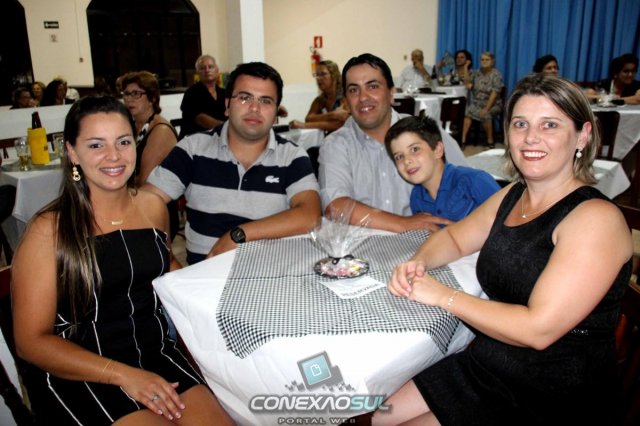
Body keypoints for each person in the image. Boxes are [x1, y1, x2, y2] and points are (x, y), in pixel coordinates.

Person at [374, 74, 632, 426]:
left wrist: (443, 296)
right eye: (520, 124)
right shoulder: (513, 195)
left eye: (550, 125)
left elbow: (538, 330)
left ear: (582, 136)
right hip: (492, 359)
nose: (530, 138)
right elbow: (455, 238)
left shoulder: (595, 219)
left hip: (552, 390)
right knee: (380, 417)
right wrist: (417, 263)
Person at [11, 95, 234, 425]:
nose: (114, 155)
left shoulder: (152, 207)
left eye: (123, 141)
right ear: (72, 152)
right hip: (80, 369)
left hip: (154, 353)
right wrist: (123, 375)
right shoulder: (49, 230)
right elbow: (30, 342)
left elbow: (168, 275)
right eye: (96, 145)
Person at [144, 62, 321, 265]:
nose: (254, 108)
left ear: (275, 114)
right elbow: (146, 203)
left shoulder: (292, 156)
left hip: (271, 274)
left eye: (266, 101)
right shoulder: (193, 148)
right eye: (244, 97)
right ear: (227, 105)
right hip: (206, 276)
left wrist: (239, 234)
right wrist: (167, 261)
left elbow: (310, 215)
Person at [318, 53, 467, 234]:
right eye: (353, 90)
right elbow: (335, 206)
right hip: (364, 246)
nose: (363, 97)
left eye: (373, 86)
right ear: (346, 101)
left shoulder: (425, 132)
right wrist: (403, 223)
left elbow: (466, 183)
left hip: (428, 240)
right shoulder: (335, 145)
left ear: (391, 93)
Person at [385, 115, 500, 222]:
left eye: (414, 149)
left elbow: (507, 221)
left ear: (437, 150)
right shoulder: (416, 198)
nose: (406, 161)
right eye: (399, 157)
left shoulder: (474, 181)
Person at [121, 70, 181, 241]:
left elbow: (145, 182)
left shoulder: (160, 130)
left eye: (136, 94)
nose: (129, 99)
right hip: (136, 203)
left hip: (156, 210)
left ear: (152, 98)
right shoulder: (133, 127)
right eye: (126, 94)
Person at [289, 60, 349, 133]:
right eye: (316, 75)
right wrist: (333, 115)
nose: (318, 78)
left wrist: (304, 125)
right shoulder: (320, 100)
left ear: (334, 75)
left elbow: (340, 125)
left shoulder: (346, 96)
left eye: (323, 74)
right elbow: (308, 119)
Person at [461, 51, 504, 150]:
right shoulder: (477, 73)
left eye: (487, 60)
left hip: (493, 104)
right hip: (477, 103)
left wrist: (486, 108)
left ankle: (490, 141)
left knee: (485, 115)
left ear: (492, 61)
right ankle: (462, 140)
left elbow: (494, 93)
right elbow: (467, 83)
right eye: (482, 59)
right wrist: (465, 68)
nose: (484, 62)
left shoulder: (496, 74)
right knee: (467, 113)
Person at [179, 54, 227, 139]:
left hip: (220, 138)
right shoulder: (191, 93)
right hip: (195, 140)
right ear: (198, 72)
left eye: (210, 67)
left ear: (217, 70)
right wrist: (228, 128)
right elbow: (202, 120)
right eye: (203, 68)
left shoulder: (224, 93)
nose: (207, 70)